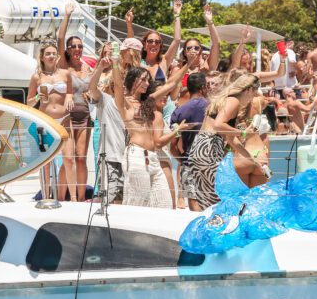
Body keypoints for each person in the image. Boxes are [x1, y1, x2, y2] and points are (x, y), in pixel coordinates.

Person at [188, 74, 267, 211]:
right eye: (254, 93)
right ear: (248, 90)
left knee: (209, 200)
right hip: (209, 148)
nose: (253, 98)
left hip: (201, 147)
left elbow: (231, 139)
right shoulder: (233, 101)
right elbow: (219, 124)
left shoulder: (227, 101)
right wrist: (243, 132)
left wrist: (252, 160)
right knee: (220, 197)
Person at [112, 64, 182, 209]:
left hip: (153, 158)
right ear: (133, 80)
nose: (147, 83)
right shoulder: (125, 102)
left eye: (148, 80)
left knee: (165, 204)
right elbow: (118, 86)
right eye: (143, 79)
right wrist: (114, 62)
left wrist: (189, 63)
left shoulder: (148, 101)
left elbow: (171, 84)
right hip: (136, 155)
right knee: (137, 204)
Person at [27, 41, 74, 201]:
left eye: (54, 53)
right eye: (48, 53)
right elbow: (28, 103)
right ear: (41, 57)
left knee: (68, 159)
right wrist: (36, 98)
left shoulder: (66, 74)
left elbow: (70, 92)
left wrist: (69, 97)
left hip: (64, 118)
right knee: (46, 162)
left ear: (58, 56)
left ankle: (74, 198)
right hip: (44, 121)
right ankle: (46, 196)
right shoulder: (36, 77)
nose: (51, 56)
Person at [57, 2, 94, 201]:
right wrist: (67, 16)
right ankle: (63, 197)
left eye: (80, 46)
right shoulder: (64, 66)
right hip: (67, 117)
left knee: (81, 159)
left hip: (85, 115)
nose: (78, 49)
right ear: (68, 50)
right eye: (74, 47)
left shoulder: (87, 68)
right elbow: (60, 38)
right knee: (67, 159)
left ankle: (80, 198)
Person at [89, 53, 126, 205]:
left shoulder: (130, 104)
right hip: (109, 158)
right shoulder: (104, 99)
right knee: (107, 202)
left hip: (127, 160)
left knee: (122, 202)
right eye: (118, 84)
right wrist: (100, 68)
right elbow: (91, 87)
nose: (121, 86)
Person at [170, 72, 209, 209]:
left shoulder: (179, 112)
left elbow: (173, 146)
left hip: (189, 162)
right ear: (203, 87)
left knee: (194, 204)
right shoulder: (214, 107)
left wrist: (183, 160)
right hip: (212, 162)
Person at [126, 0, 182, 83]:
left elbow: (177, 40)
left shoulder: (165, 61)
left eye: (157, 42)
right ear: (144, 45)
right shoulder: (138, 60)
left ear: (160, 46)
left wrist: (176, 15)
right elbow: (131, 43)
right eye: (150, 41)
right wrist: (129, 24)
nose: (153, 44)